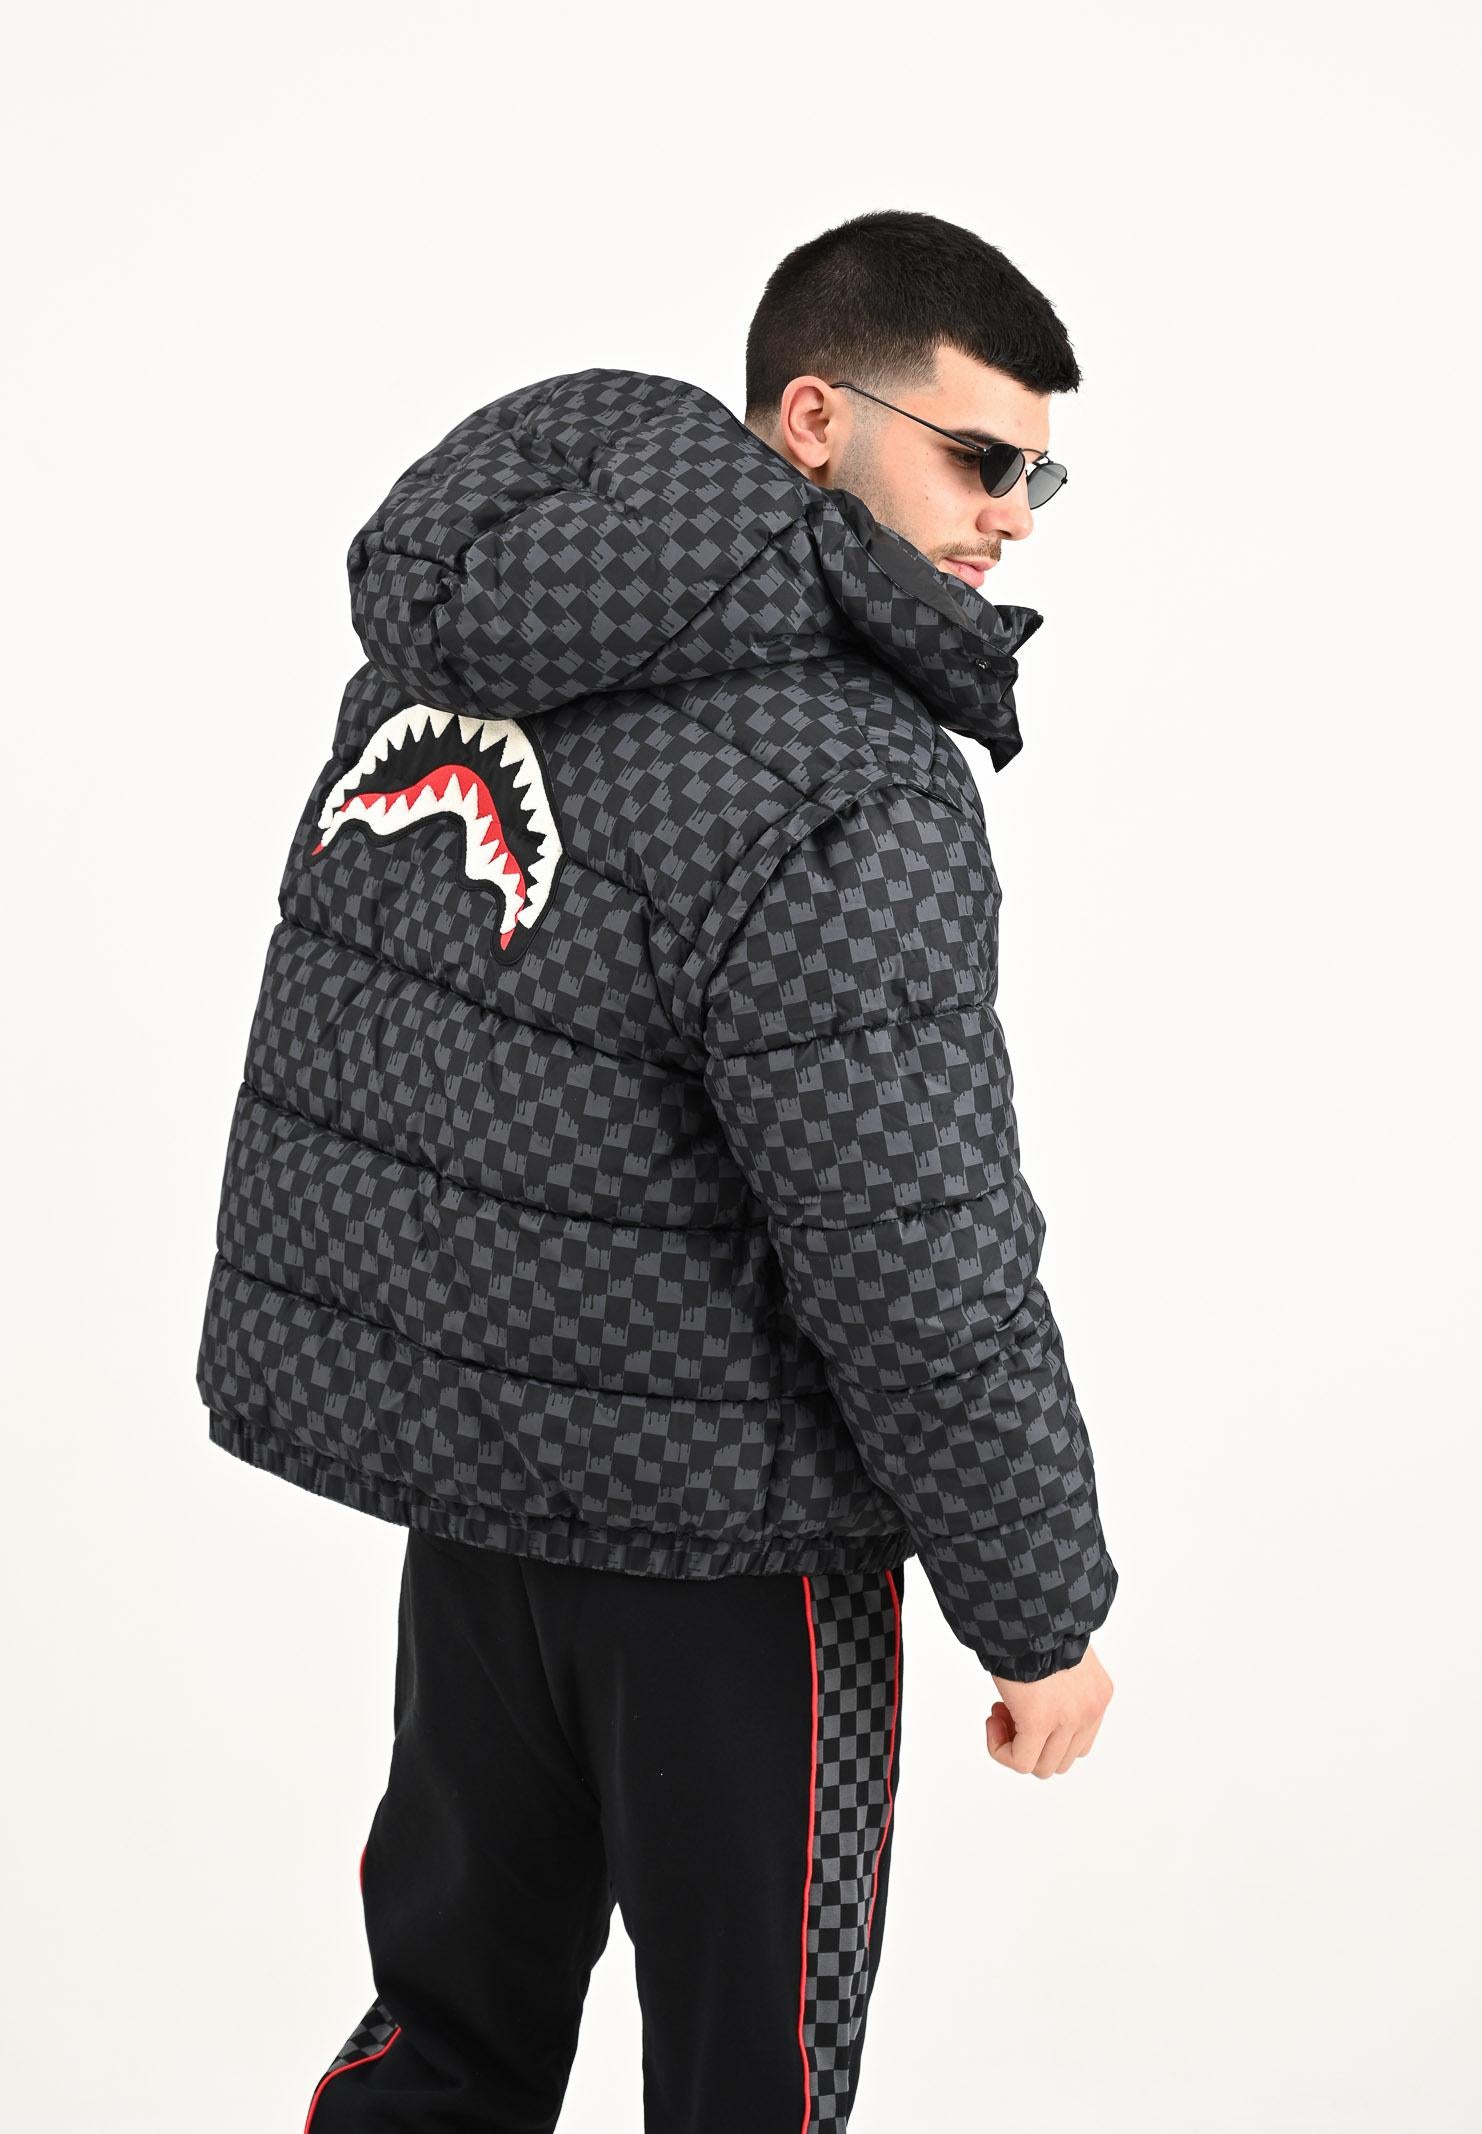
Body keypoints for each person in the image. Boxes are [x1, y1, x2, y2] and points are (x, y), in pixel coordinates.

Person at [196, 207, 1120, 2132]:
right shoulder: (845, 769)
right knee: (746, 2083)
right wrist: (1035, 1608)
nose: (1011, 516)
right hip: (733, 1548)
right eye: (977, 457)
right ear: (813, 416)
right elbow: (912, 1244)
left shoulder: (444, 674)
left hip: (479, 1517)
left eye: (1036, 475)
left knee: (440, 2038)